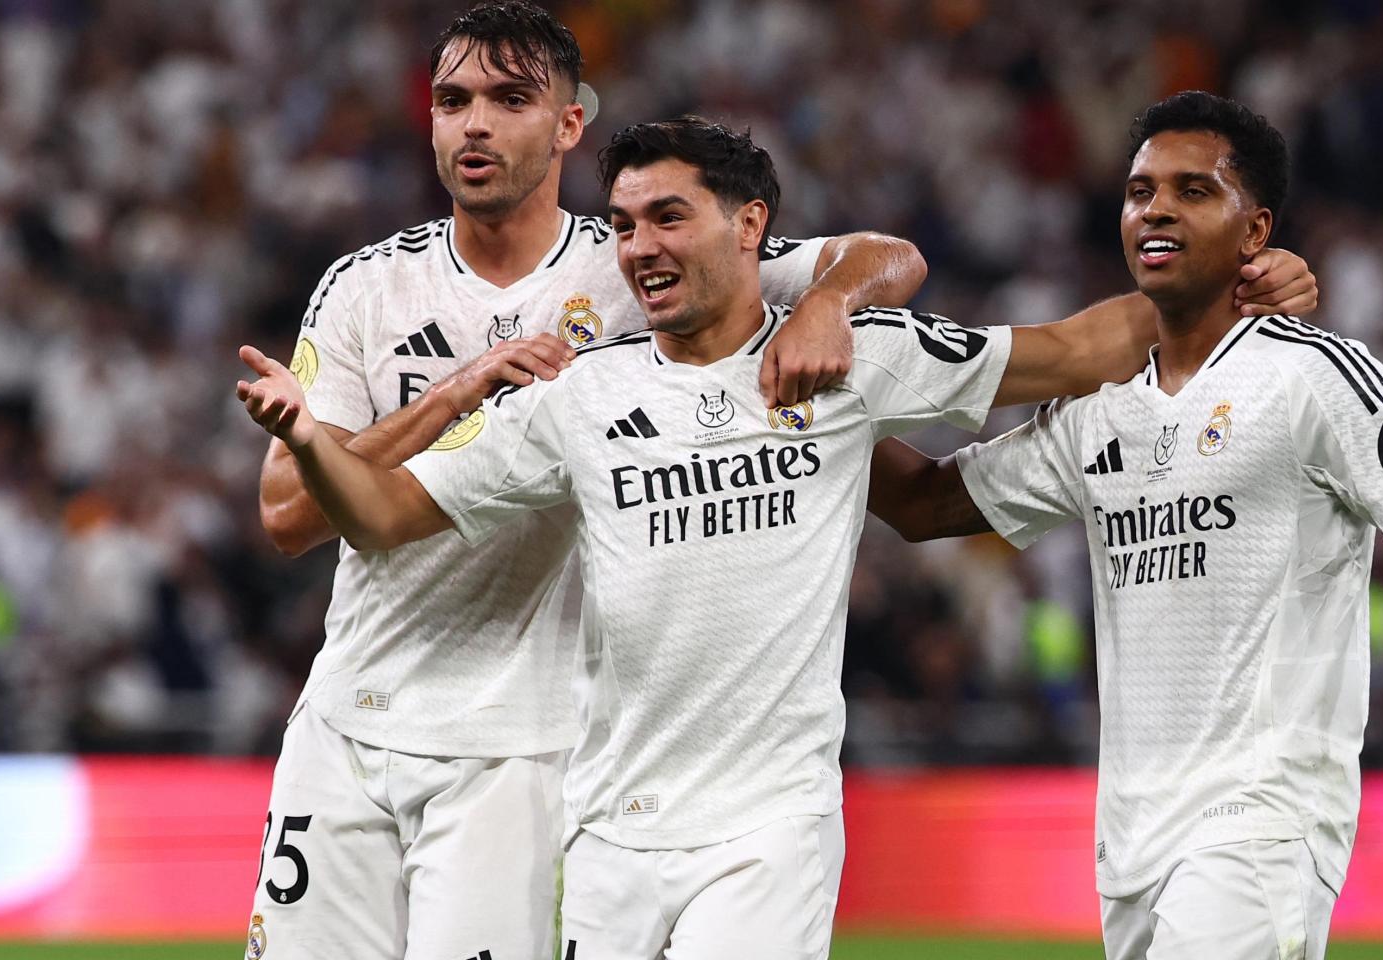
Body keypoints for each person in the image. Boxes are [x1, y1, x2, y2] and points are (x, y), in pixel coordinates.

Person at [234, 115, 1313, 960]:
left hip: (767, 832)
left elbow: (1078, 351)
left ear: (749, 228)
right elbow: (381, 519)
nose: (637, 249)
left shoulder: (851, 359)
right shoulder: (579, 398)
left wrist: (1232, 286)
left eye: (667, 218)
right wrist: (309, 438)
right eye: (620, 225)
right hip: (608, 829)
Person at [243, 4, 935, 959]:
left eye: (509, 99)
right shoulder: (366, 285)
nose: (474, 124)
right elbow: (287, 515)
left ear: (569, 125)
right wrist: (460, 390)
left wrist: (824, 304)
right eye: (453, 101)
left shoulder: (638, 263)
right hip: (345, 720)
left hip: (520, 745)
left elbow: (891, 259)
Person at [867, 91, 1383, 960]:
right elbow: (921, 507)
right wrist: (819, 407)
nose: (1157, 209)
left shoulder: (1317, 375)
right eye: (1140, 192)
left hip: (1263, 822)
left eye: (1192, 190)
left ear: (1257, 232)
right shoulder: (1101, 409)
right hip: (1131, 836)